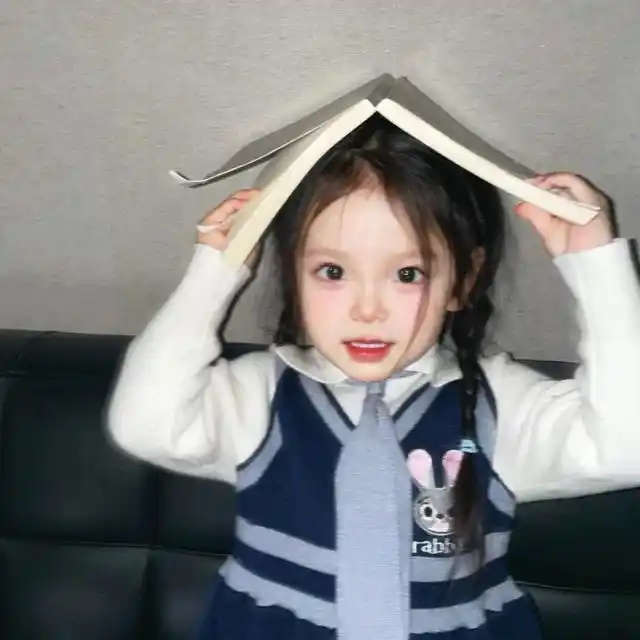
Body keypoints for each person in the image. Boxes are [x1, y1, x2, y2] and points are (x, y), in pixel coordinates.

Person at [106, 115, 640, 639]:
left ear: (464, 281)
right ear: (293, 273)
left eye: (408, 274)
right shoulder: (260, 394)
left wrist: (596, 266)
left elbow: (627, 447)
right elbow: (145, 425)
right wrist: (214, 271)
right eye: (332, 272)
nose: (367, 309)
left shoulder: (496, 404)